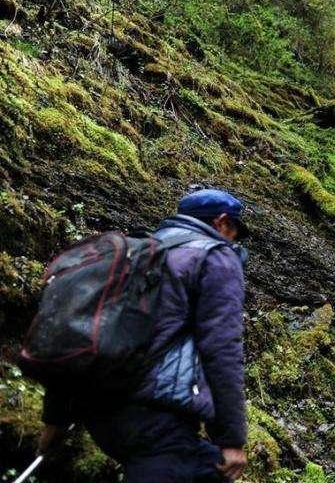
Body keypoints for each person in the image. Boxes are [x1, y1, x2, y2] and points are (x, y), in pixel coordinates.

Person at [38, 189, 250, 483]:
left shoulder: (136, 253)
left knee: (203, 467)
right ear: (222, 222)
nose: (233, 240)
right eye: (235, 231)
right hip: (157, 420)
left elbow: (80, 331)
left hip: (100, 412)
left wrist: (56, 417)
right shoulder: (215, 257)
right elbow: (222, 348)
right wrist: (231, 438)